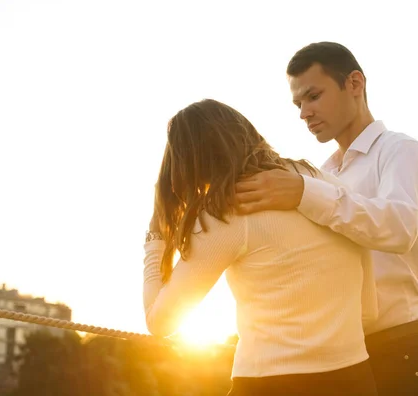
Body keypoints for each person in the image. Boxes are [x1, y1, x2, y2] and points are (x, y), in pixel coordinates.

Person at [235, 41, 418, 395]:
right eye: (298, 104)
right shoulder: (320, 173)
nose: (304, 112)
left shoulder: (402, 151)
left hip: (402, 355)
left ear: (354, 84)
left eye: (313, 96)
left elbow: (398, 228)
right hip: (338, 362)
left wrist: (303, 193)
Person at [143, 98, 379, 395]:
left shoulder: (227, 210)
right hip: (356, 380)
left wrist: (156, 240)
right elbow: (369, 311)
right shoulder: (330, 186)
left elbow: (160, 322)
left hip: (270, 384)